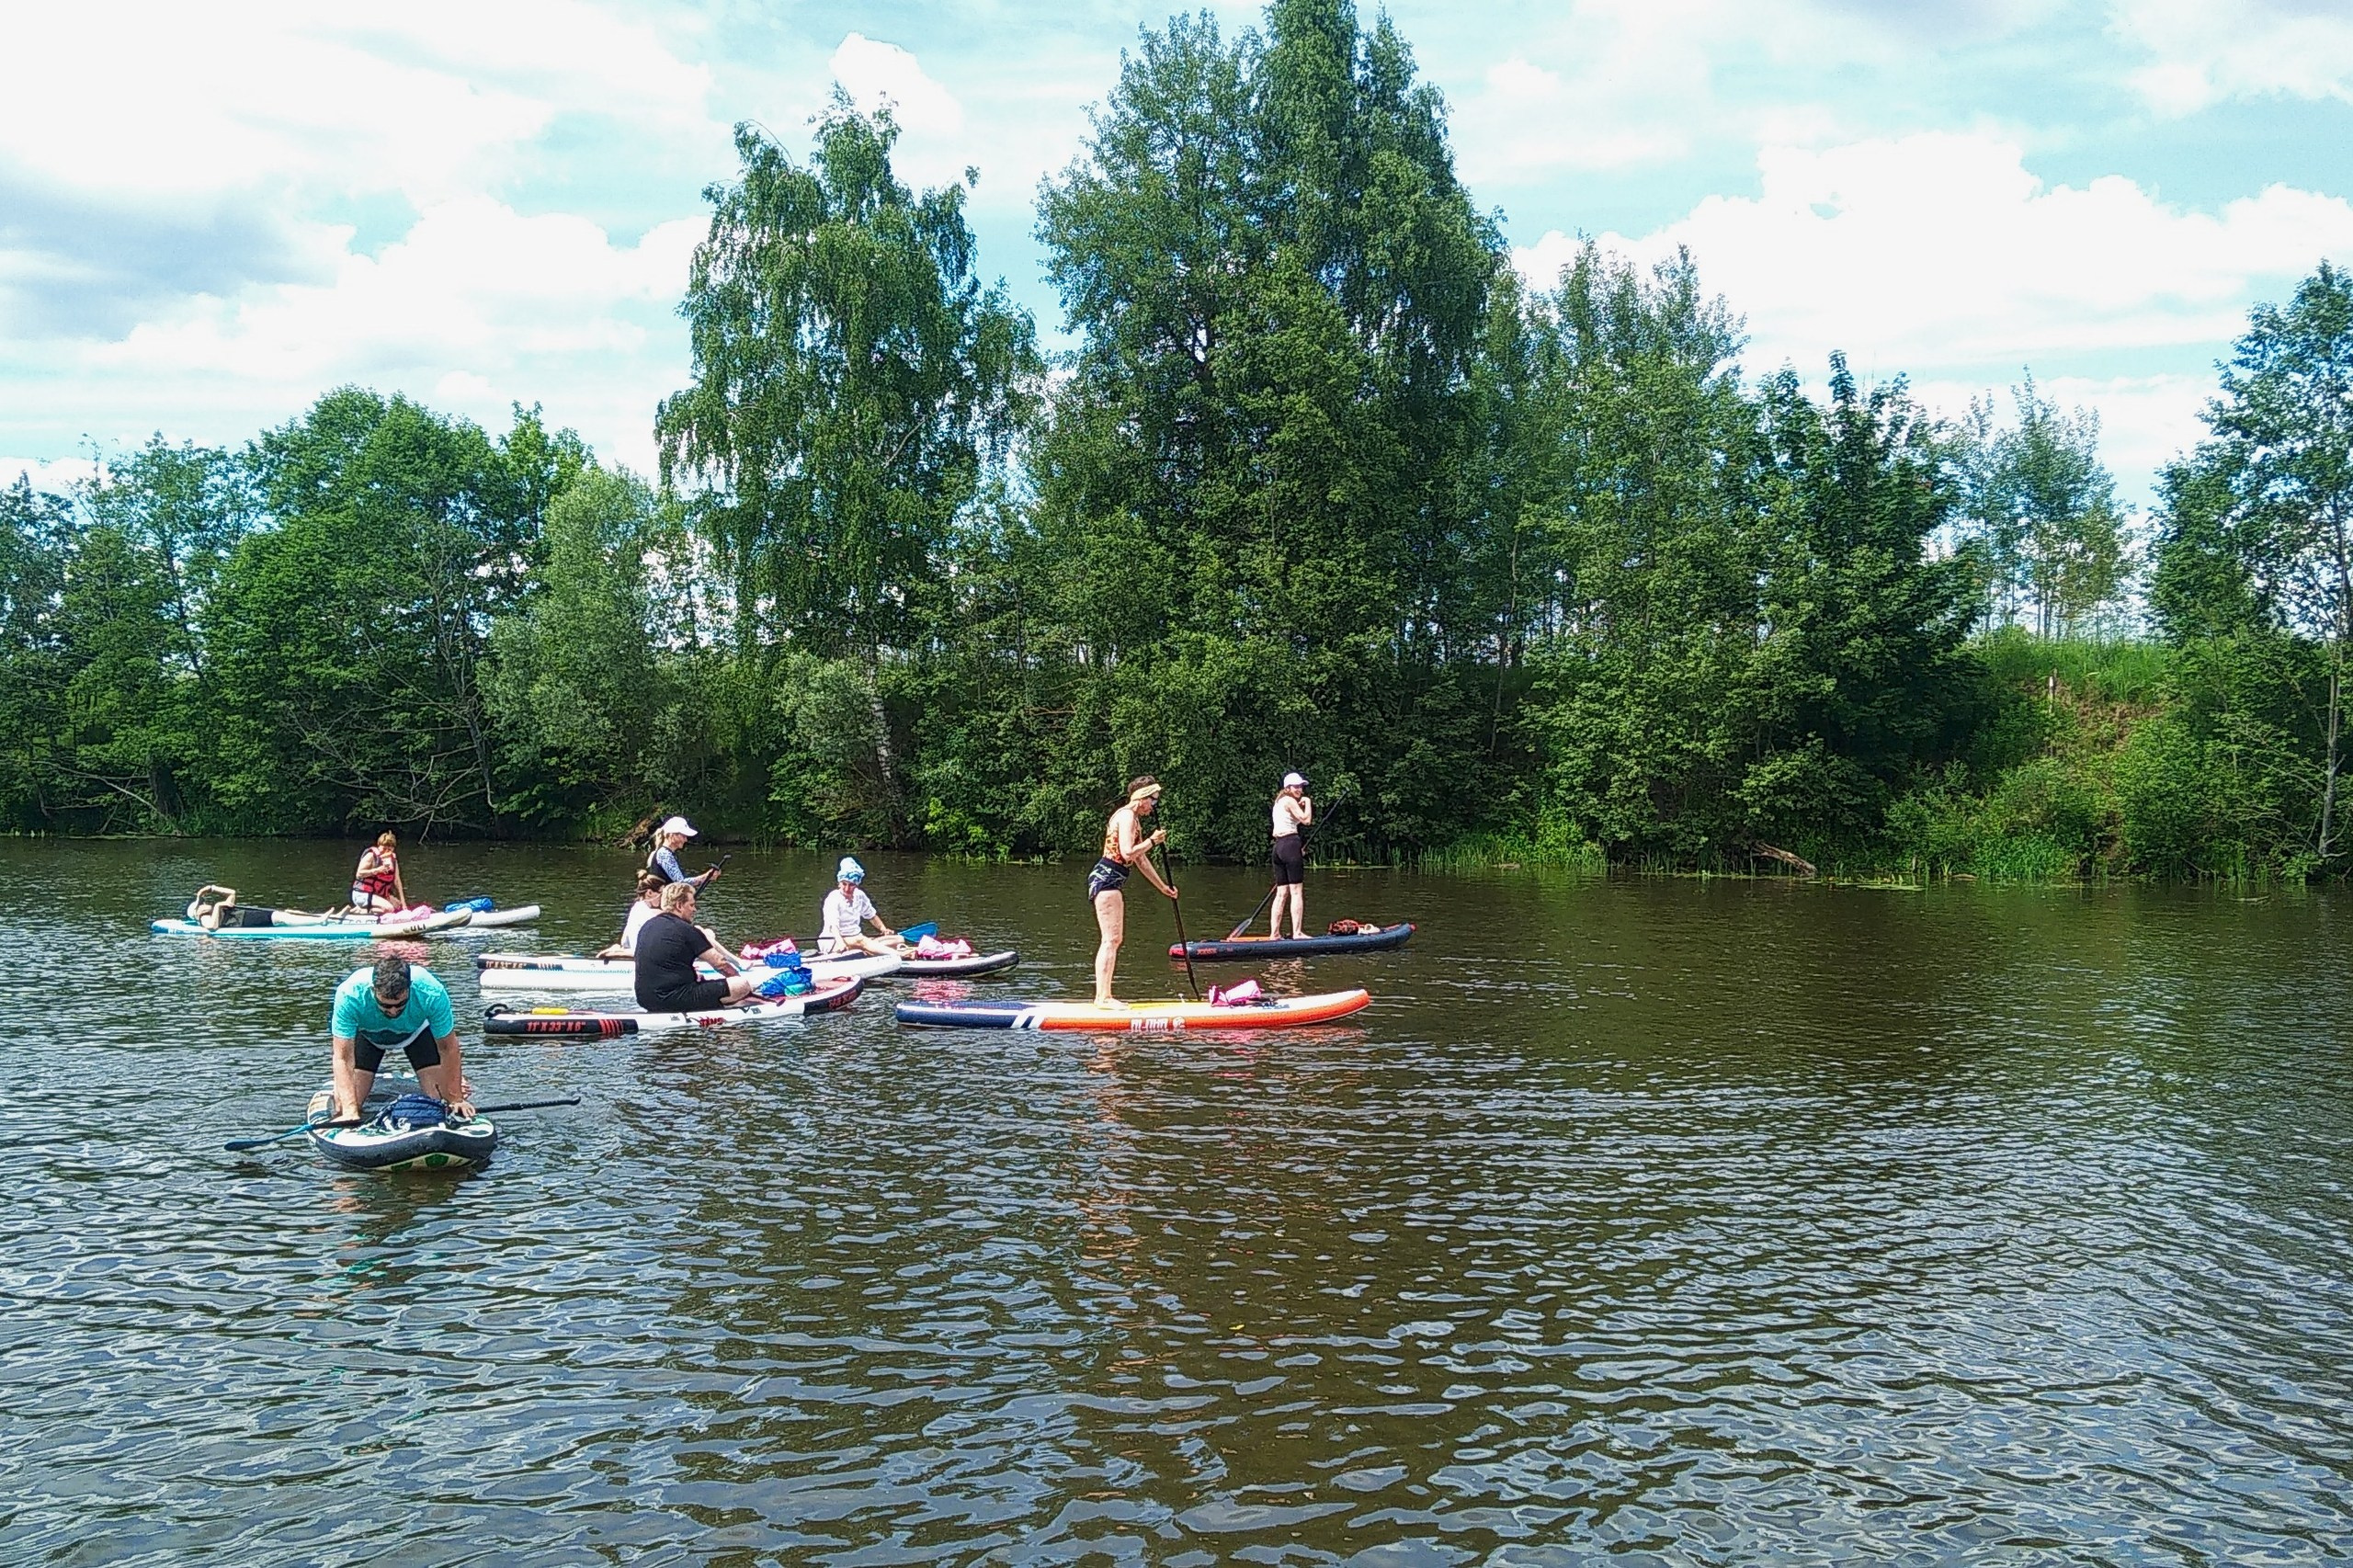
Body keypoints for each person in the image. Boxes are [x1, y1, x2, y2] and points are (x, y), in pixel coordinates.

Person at [331, 953, 470, 1121]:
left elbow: (448, 1048)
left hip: (416, 1033)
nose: (393, 1011)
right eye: (386, 1005)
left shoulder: (431, 991)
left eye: (400, 1004)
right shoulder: (349, 994)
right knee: (344, 1106)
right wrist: (350, 1111)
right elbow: (343, 1057)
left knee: (439, 1102)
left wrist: (455, 1097)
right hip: (369, 1036)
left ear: (409, 988)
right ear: (373, 990)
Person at [1088, 777, 1178, 1007]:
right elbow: (1127, 852)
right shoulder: (1127, 816)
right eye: (1153, 801)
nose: (1153, 807)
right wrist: (1152, 841)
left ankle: (1104, 996)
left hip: (1113, 880)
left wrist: (1163, 887)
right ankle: (1103, 997)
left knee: (1114, 939)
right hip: (1107, 878)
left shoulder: (1133, 819)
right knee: (1111, 939)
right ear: (1142, 798)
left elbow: (1141, 860)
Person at [634, 881, 761, 1013]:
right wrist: (739, 983)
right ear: (679, 906)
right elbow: (720, 963)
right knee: (741, 985)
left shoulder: (647, 926)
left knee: (698, 977)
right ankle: (732, 1003)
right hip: (673, 999)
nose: (694, 910)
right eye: (691, 905)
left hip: (645, 999)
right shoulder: (686, 929)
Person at [818, 858, 909, 956]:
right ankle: (900, 954)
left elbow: (871, 916)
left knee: (899, 939)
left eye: (851, 885)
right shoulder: (833, 898)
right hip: (834, 940)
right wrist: (840, 942)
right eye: (844, 884)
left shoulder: (860, 895)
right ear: (839, 883)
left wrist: (883, 929)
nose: (847, 889)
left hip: (856, 938)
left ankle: (868, 950)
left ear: (856, 885)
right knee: (862, 940)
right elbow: (833, 926)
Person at [1269, 771, 1314, 939]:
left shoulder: (1279, 802)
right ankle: (1297, 933)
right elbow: (1306, 820)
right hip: (1289, 845)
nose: (1300, 790)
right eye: (1296, 787)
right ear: (1287, 788)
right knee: (1296, 891)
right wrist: (1308, 803)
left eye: (1301, 787)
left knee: (1281, 893)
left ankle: (1274, 934)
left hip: (1279, 848)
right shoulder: (1289, 800)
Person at [596, 873, 667, 959]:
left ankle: (618, 950)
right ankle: (619, 952)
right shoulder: (649, 913)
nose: (663, 898)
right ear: (649, 893)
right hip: (638, 951)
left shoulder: (637, 906)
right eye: (661, 893)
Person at [644, 816, 722, 892]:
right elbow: (680, 883)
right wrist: (706, 877)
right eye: (683, 836)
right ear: (672, 835)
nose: (686, 840)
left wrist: (706, 877)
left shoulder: (667, 853)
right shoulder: (664, 854)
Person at [349, 833, 407, 913]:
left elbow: (397, 881)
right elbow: (359, 874)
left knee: (398, 907)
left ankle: (376, 909)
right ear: (379, 845)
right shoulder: (371, 855)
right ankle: (360, 911)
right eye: (384, 848)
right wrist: (377, 870)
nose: (386, 851)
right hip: (362, 894)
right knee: (389, 909)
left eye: (389, 849)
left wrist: (404, 903)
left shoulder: (393, 860)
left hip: (378, 894)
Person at [188, 884, 278, 930]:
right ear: (197, 913)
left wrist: (212, 888)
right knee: (277, 917)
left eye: (202, 902)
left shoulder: (218, 910)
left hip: (251, 916)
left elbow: (232, 893)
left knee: (278, 915)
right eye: (200, 905)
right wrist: (218, 905)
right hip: (245, 922)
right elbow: (212, 926)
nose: (204, 904)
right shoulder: (204, 917)